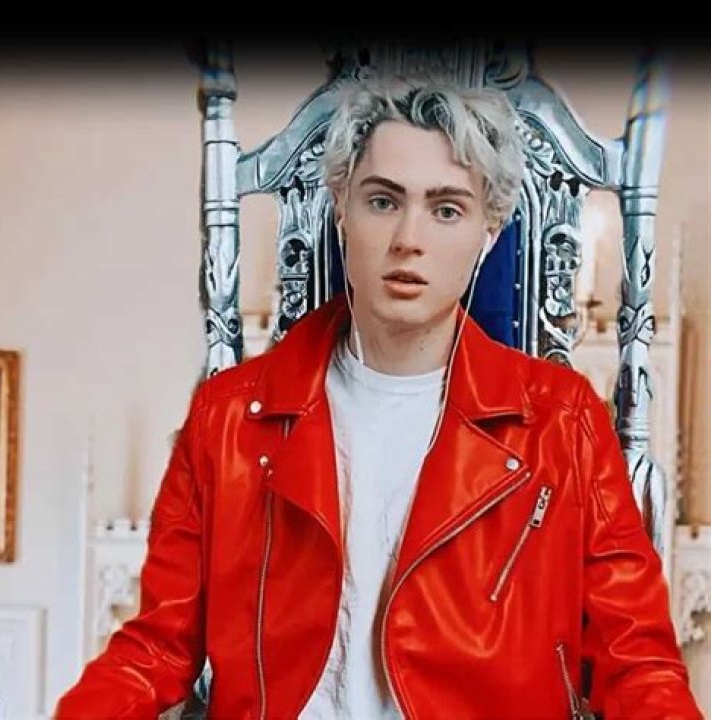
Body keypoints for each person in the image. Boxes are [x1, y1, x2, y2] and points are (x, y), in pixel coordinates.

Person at [55, 73, 702, 719]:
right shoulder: (226, 420)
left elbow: (636, 663)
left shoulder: (564, 422)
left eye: (446, 209)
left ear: (489, 229)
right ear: (342, 206)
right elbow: (155, 649)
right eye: (384, 200)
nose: (408, 239)